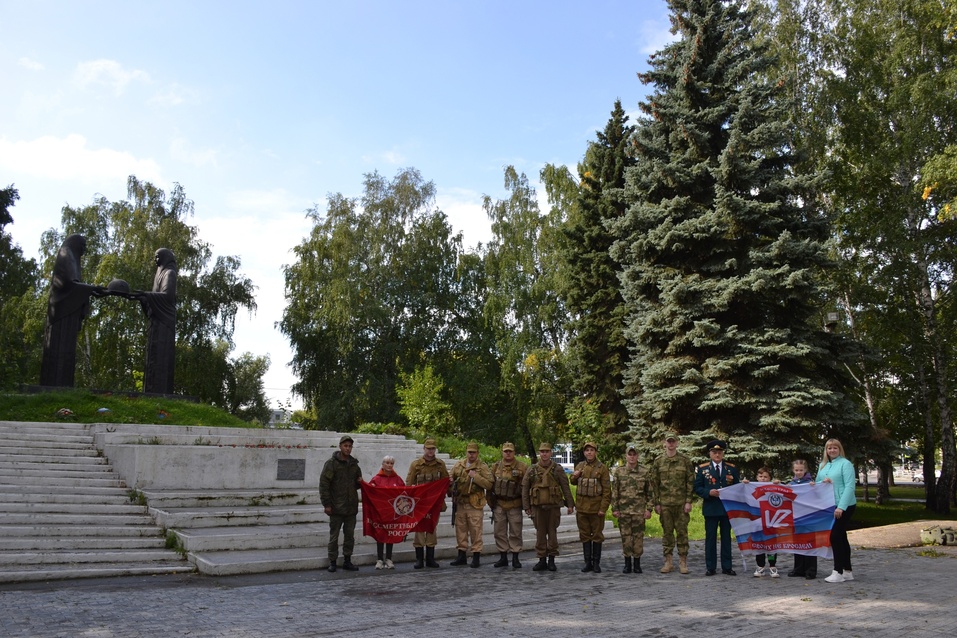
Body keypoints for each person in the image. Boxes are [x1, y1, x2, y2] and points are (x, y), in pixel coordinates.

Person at [40, 234, 107, 387]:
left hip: (67, 310)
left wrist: (89, 290)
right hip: (62, 311)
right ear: (75, 244)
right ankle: (54, 385)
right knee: (59, 348)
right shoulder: (66, 254)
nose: (84, 250)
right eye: (82, 246)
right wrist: (92, 289)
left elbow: (73, 284)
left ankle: (61, 384)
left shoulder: (71, 257)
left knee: (66, 350)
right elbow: (68, 284)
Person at [522, 442, 574, 572]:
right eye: (542, 451)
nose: (544, 454)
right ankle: (541, 559)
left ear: (551, 453)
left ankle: (551, 559)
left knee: (552, 533)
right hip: (537, 507)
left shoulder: (557, 469)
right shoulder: (532, 469)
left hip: (553, 507)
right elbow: (525, 488)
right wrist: (526, 506)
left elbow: (565, 487)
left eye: (547, 451)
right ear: (540, 453)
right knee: (540, 534)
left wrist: (570, 504)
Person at [650, 432, 696, 574]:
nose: (671, 444)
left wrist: (688, 501)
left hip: (681, 504)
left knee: (682, 533)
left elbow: (690, 482)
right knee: (667, 533)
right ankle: (668, 562)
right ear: (665, 443)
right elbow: (654, 484)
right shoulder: (658, 461)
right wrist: (656, 503)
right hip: (665, 504)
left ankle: (683, 562)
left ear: (677, 443)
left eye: (673, 441)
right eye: (668, 441)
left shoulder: (685, 460)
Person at [693, 439, 740, 575]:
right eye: (714, 452)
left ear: (723, 453)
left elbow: (737, 487)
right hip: (711, 508)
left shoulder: (731, 468)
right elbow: (697, 488)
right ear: (710, 454)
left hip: (726, 509)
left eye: (719, 452)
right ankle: (710, 567)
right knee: (710, 539)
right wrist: (708, 492)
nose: (717, 455)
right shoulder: (702, 469)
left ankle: (727, 566)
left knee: (726, 539)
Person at [134, 248, 177, 394]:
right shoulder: (159, 275)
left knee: (161, 359)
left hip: (165, 324)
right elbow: (155, 297)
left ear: (164, 257)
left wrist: (146, 295)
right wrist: (143, 298)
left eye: (157, 256)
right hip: (156, 323)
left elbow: (167, 296)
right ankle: (151, 392)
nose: (155, 259)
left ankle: (160, 393)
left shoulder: (169, 273)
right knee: (152, 359)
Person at [320, 435, 363, 572]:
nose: (348, 448)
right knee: (334, 537)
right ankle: (332, 561)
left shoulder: (354, 465)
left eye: (350, 446)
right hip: (336, 507)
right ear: (340, 446)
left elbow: (356, 485)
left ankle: (347, 560)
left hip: (350, 508)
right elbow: (324, 485)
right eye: (345, 446)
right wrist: (326, 504)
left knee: (349, 536)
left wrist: (360, 482)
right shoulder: (331, 464)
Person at [405, 438, 450, 569]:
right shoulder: (416, 465)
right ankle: (419, 559)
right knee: (419, 530)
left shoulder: (440, 464)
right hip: (420, 503)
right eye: (428, 448)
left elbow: (445, 481)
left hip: (435, 503)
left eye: (433, 449)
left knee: (432, 529)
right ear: (424, 449)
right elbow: (409, 483)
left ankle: (430, 558)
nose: (430, 451)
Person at [817, 438, 857, 583]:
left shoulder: (845, 464)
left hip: (844, 506)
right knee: (841, 537)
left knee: (835, 536)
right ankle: (847, 571)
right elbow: (817, 484)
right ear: (826, 450)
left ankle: (838, 571)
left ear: (839, 449)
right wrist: (822, 482)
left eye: (835, 448)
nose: (832, 450)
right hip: (829, 506)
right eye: (829, 448)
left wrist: (841, 506)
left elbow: (849, 487)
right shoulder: (823, 465)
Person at [449, 441, 493, 567]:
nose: (471, 455)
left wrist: (476, 477)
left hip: (475, 504)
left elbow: (489, 484)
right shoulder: (459, 465)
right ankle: (461, 555)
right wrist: (450, 481)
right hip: (461, 503)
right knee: (460, 531)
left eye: (474, 452)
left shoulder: (482, 467)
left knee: (475, 531)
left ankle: (476, 556)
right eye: (469, 452)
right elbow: (451, 477)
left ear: (477, 453)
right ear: (466, 452)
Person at [570, 441, 611, 573]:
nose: (589, 452)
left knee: (597, 536)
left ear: (596, 452)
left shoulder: (602, 468)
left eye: (592, 450)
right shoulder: (580, 466)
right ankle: (587, 562)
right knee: (584, 535)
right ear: (584, 453)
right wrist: (574, 476)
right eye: (587, 450)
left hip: (596, 509)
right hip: (582, 508)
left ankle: (596, 563)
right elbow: (572, 481)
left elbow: (606, 491)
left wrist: (603, 509)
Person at [611, 444, 653, 574]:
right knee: (626, 537)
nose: (632, 457)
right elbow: (615, 492)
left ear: (637, 456)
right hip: (623, 511)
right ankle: (627, 563)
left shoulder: (645, 472)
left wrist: (649, 509)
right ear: (626, 456)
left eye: (634, 454)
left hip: (639, 511)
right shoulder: (619, 471)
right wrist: (615, 508)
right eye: (630, 454)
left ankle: (637, 563)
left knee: (638, 537)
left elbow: (650, 492)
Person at [489, 441, 528, 568]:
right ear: (502, 452)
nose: (508, 453)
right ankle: (503, 557)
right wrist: (491, 503)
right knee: (499, 531)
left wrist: (526, 504)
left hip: (515, 504)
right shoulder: (495, 467)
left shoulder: (522, 467)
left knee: (515, 532)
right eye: (506, 451)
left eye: (510, 451)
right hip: (499, 503)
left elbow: (526, 487)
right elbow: (490, 486)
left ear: (514, 452)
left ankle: (516, 557)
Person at [368, 455, 404, 569]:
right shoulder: (376, 479)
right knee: (380, 535)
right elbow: (370, 492)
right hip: (379, 512)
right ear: (382, 464)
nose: (389, 465)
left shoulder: (397, 479)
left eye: (391, 463)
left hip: (392, 513)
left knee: (390, 534)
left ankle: (389, 559)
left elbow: (404, 492)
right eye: (387, 463)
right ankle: (379, 559)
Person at [787, 459, 818, 580]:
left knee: (809, 542)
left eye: (801, 470)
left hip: (809, 516)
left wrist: (814, 488)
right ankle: (799, 568)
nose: (799, 472)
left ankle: (810, 570)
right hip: (796, 516)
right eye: (796, 470)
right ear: (793, 470)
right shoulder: (792, 484)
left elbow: (817, 496)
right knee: (798, 542)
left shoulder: (811, 483)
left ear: (805, 470)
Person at [747, 467, 779, 577]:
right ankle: (760, 566)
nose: (763, 479)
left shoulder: (773, 487)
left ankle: (772, 566)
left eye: (765, 477)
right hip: (757, 522)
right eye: (760, 477)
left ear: (770, 478)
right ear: (757, 477)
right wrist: (745, 484)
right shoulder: (752, 488)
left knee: (771, 545)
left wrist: (778, 484)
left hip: (770, 521)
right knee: (759, 545)